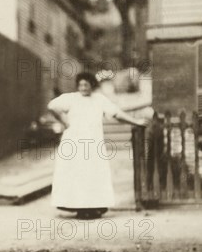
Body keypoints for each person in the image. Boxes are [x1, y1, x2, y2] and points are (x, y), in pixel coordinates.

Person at [47, 72, 147, 219]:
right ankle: (79, 208)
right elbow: (52, 106)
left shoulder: (99, 100)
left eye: (86, 85)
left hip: (93, 142)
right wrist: (63, 120)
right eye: (80, 85)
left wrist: (136, 122)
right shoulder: (72, 98)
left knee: (93, 174)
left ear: (92, 86)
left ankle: (94, 207)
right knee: (76, 174)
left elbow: (116, 114)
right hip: (73, 142)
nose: (83, 88)